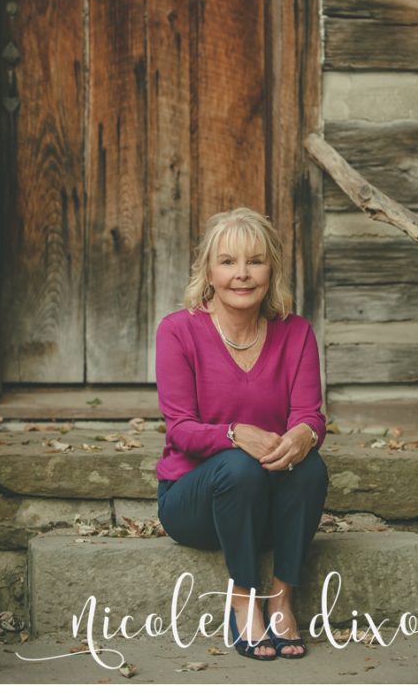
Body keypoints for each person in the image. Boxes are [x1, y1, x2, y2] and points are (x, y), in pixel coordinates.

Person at [154, 206, 327, 661]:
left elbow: (311, 414)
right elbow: (182, 431)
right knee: (237, 464)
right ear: (208, 271)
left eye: (255, 261)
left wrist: (304, 435)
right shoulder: (178, 332)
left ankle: (281, 596)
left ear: (272, 269)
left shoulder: (297, 333)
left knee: (309, 467)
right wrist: (235, 434)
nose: (242, 274)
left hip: (263, 504)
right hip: (194, 503)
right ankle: (243, 599)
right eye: (228, 261)